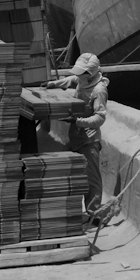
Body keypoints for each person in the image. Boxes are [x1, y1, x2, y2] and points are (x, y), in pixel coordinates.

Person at [46, 53, 107, 217]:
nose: (79, 76)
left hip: (89, 139)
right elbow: (72, 80)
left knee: (91, 178)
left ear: (91, 74)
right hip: (76, 136)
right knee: (78, 176)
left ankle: (94, 214)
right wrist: (53, 84)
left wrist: (77, 121)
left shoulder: (98, 90)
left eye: (82, 73)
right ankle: (86, 210)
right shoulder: (82, 80)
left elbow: (100, 117)